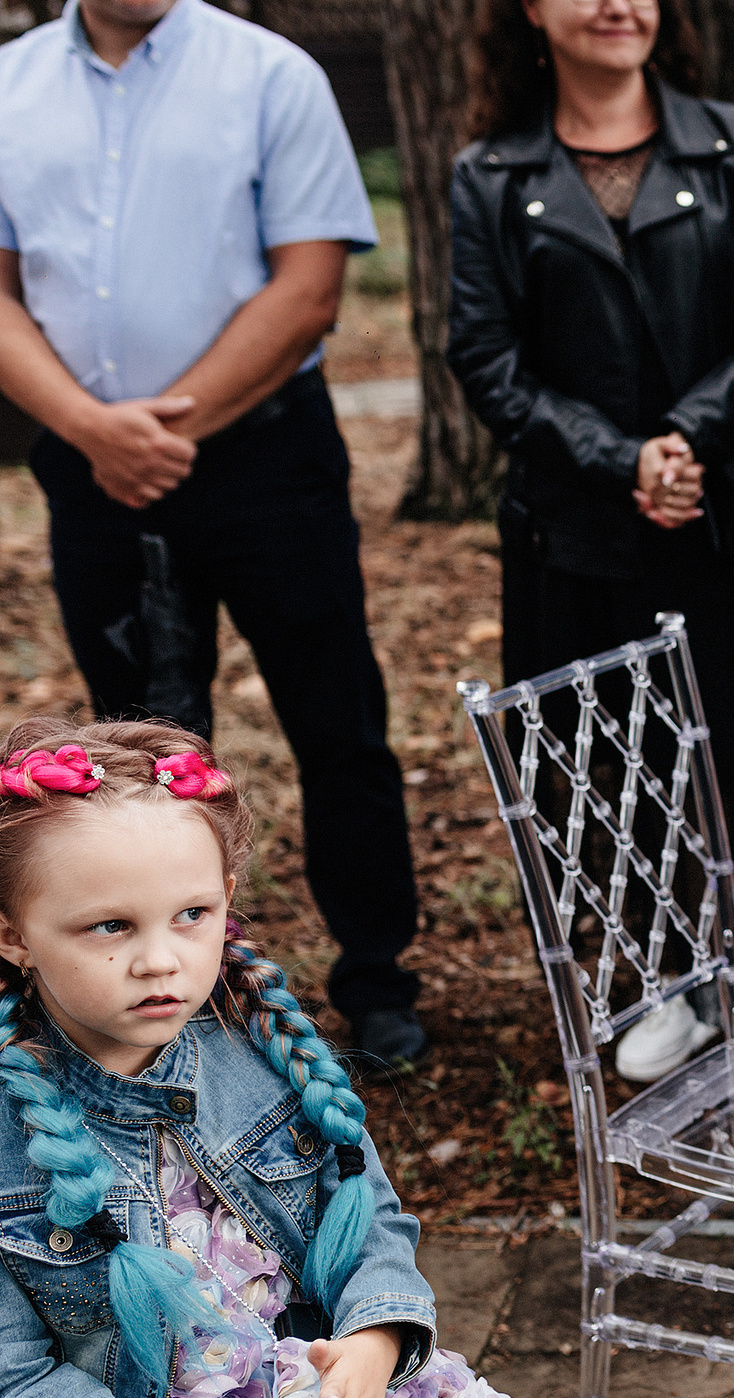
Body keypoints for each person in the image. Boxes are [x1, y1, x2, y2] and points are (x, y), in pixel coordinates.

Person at [0, 719, 608, 1398]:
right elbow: (16, 1394)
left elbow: (366, 1224)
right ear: (12, 932)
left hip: (320, 1390)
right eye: (110, 926)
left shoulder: (255, 1056)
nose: (162, 961)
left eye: (190, 915)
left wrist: (372, 1344)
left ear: (227, 904)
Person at [0, 0, 428, 1067]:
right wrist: (95, 429)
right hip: (87, 457)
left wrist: (163, 427)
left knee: (334, 719)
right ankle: (176, 989)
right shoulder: (8, 86)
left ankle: (376, 981)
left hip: (264, 459)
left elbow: (309, 288)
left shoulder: (273, 75)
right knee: (135, 749)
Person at [448, 0, 734, 1106]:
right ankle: (662, 980)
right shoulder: (490, 173)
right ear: (530, 13)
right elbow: (485, 356)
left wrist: (686, 442)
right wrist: (619, 459)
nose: (618, 3)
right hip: (577, 524)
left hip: (726, 508)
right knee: (606, 752)